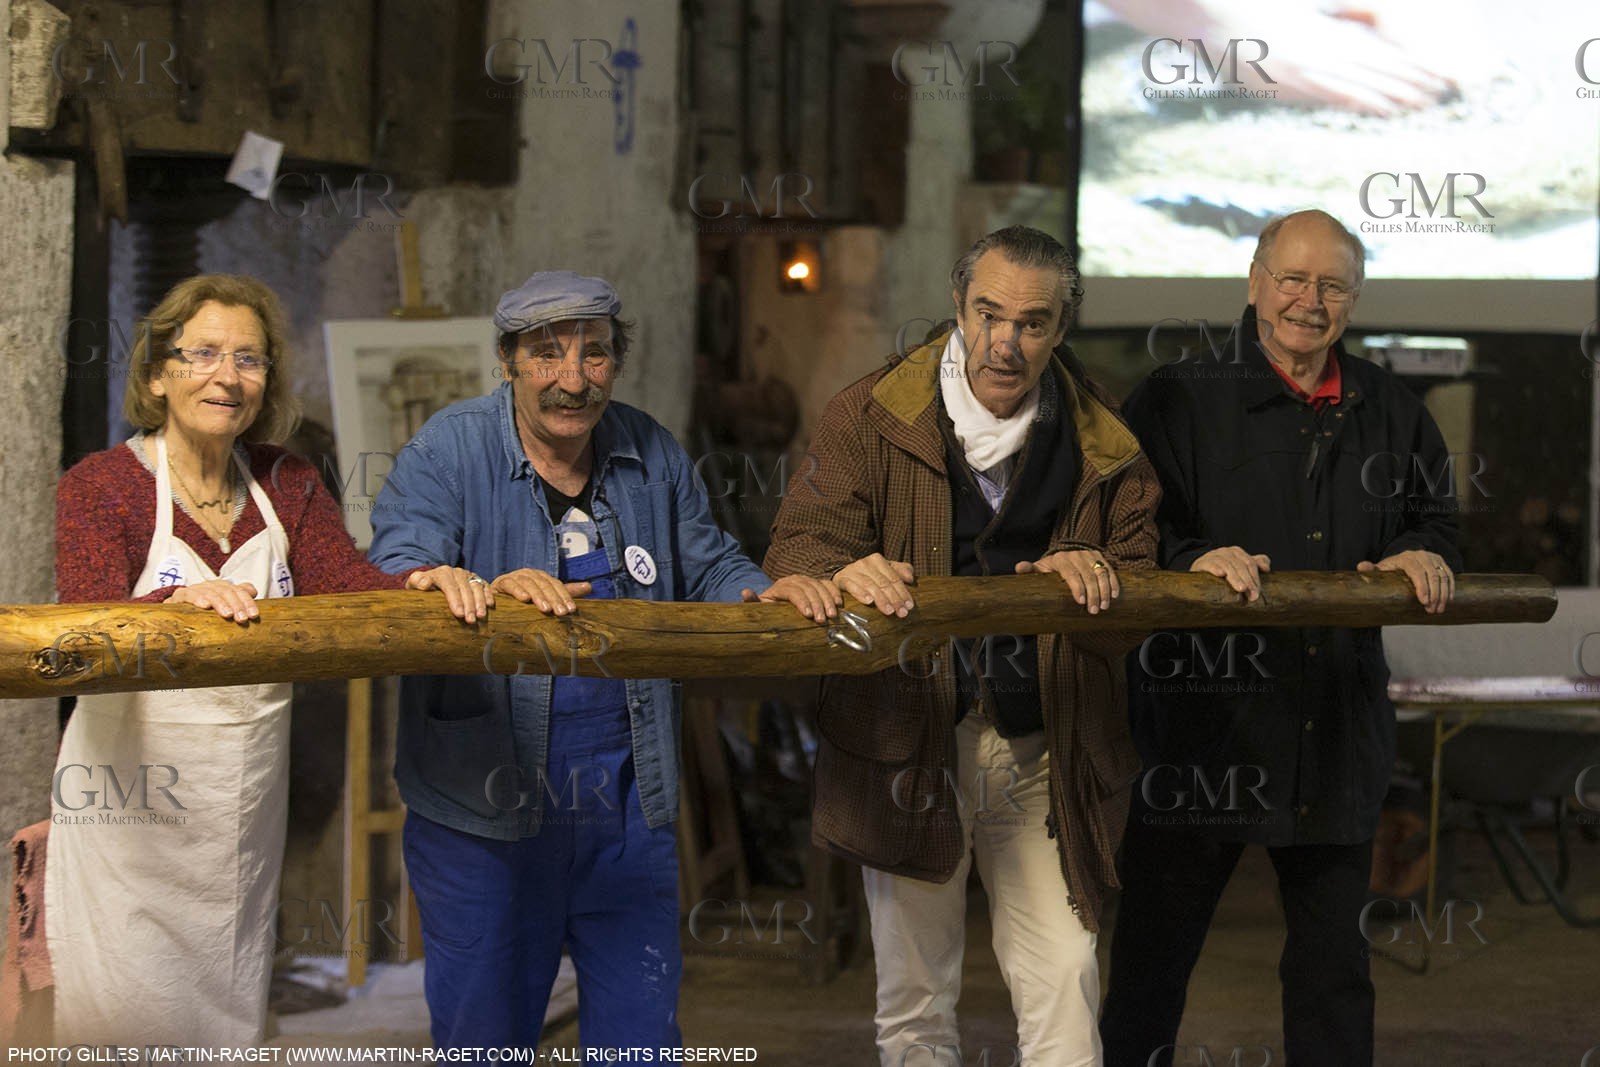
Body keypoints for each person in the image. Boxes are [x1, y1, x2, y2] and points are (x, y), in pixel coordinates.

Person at [367, 270, 837, 1052]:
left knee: (639, 1038)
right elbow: (397, 563)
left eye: (594, 353)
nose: (573, 378)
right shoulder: (448, 449)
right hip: (483, 804)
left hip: (625, 800)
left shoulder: (651, 449)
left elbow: (709, 563)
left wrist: (762, 590)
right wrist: (479, 588)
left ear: (616, 361)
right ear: (507, 361)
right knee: (485, 1038)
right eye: (547, 354)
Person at [47, 274, 486, 1048]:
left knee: (227, 1014)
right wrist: (172, 607)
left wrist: (425, 581)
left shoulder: (286, 481)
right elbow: (87, 626)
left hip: (237, 820)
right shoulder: (103, 487)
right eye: (203, 353)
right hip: (127, 816)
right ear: (157, 373)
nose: (228, 375)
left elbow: (350, 590)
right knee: (125, 1016)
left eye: (248, 359)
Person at [765, 226, 1162, 1066]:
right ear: (956, 306)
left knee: (1066, 973)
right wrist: (843, 567)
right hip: (904, 738)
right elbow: (796, 548)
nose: (1004, 343)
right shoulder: (869, 413)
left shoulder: (1103, 435)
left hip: (1044, 739)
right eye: (988, 314)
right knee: (914, 996)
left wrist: (1097, 574)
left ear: (1059, 329)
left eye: (1031, 323)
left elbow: (1139, 585)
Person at [1097, 210, 1462, 1067]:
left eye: (1332, 284)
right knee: (1152, 962)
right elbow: (1126, 527)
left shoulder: (1393, 411)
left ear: (1355, 299)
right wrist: (1191, 557)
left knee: (1335, 974)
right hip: (1200, 734)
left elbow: (1438, 523)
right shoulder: (1176, 397)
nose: (1310, 300)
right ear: (1255, 283)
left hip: (1335, 732)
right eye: (1293, 279)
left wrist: (1424, 550)